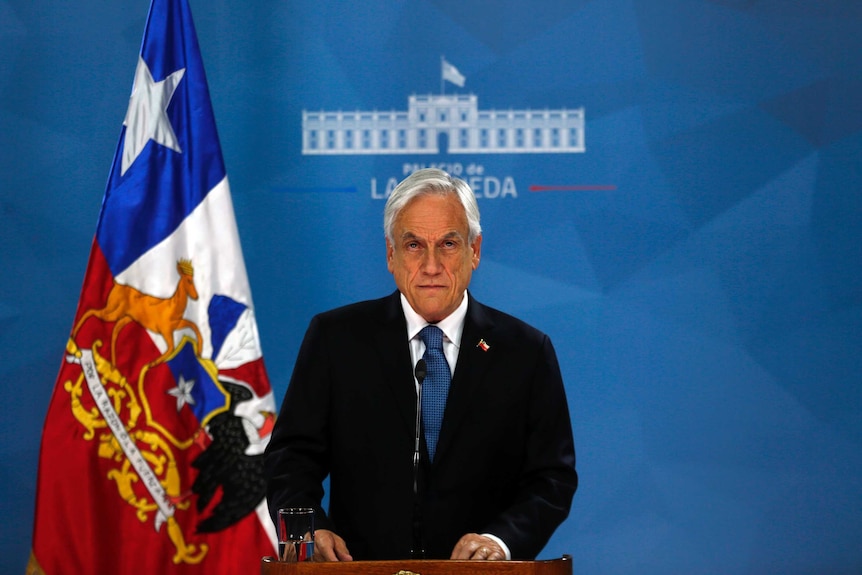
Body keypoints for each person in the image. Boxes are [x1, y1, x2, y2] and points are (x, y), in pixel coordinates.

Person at [264, 168, 577, 562]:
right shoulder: (336, 339)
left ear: (474, 251)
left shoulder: (525, 351)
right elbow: (291, 458)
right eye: (414, 245)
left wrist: (501, 541)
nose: (431, 266)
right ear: (391, 255)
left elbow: (551, 478)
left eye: (448, 243)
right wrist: (309, 528)